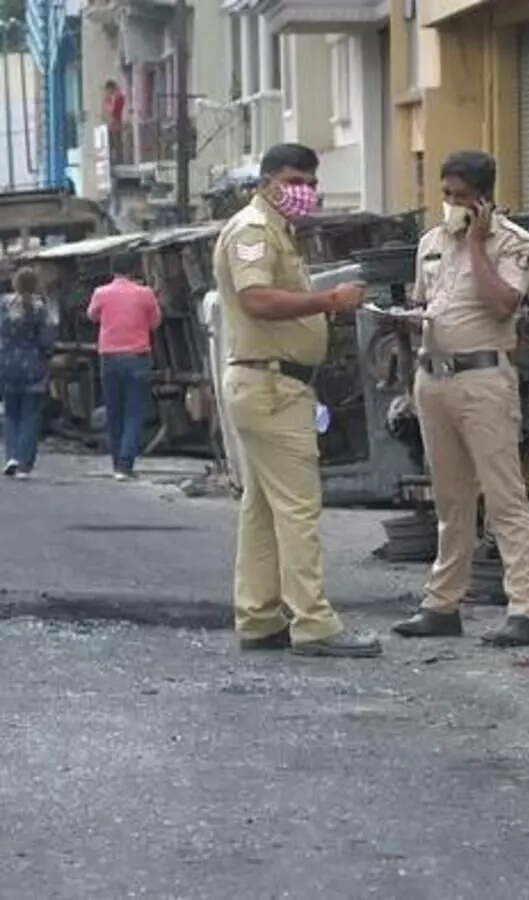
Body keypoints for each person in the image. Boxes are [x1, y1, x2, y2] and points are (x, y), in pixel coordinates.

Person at [213, 142, 381, 658]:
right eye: (293, 180)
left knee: (262, 509)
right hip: (270, 387)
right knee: (298, 509)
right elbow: (256, 299)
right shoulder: (254, 231)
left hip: (271, 384)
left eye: (310, 182)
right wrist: (328, 301)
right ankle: (314, 624)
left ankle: (260, 617)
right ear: (266, 181)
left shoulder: (277, 231)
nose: (303, 192)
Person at [390, 150, 529, 648]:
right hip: (433, 378)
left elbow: (503, 305)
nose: (451, 205)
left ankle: (523, 609)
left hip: (483, 380)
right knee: (451, 500)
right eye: (446, 195)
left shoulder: (513, 242)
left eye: (460, 197)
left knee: (504, 496)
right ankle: (442, 602)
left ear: (483, 199)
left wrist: (478, 245)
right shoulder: (430, 244)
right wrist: (408, 322)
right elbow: (425, 303)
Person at [88, 254, 161, 480]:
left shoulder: (101, 293)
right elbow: (155, 322)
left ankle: (116, 460)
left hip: (109, 356)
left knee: (114, 410)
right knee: (134, 410)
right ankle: (125, 464)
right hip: (137, 356)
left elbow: (92, 316)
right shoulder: (145, 294)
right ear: (135, 269)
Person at [1, 268, 55, 480]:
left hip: (5, 364)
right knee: (30, 416)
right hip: (33, 366)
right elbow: (46, 341)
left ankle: (12, 457)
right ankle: (24, 464)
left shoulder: (3, 304)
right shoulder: (40, 308)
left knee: (11, 414)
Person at [104, 80, 126, 165]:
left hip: (115, 123)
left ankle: (119, 160)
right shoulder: (109, 98)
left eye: (109, 90)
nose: (108, 92)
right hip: (110, 124)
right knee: (110, 143)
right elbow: (107, 111)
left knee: (117, 143)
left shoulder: (118, 98)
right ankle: (112, 161)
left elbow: (113, 110)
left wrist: (111, 100)